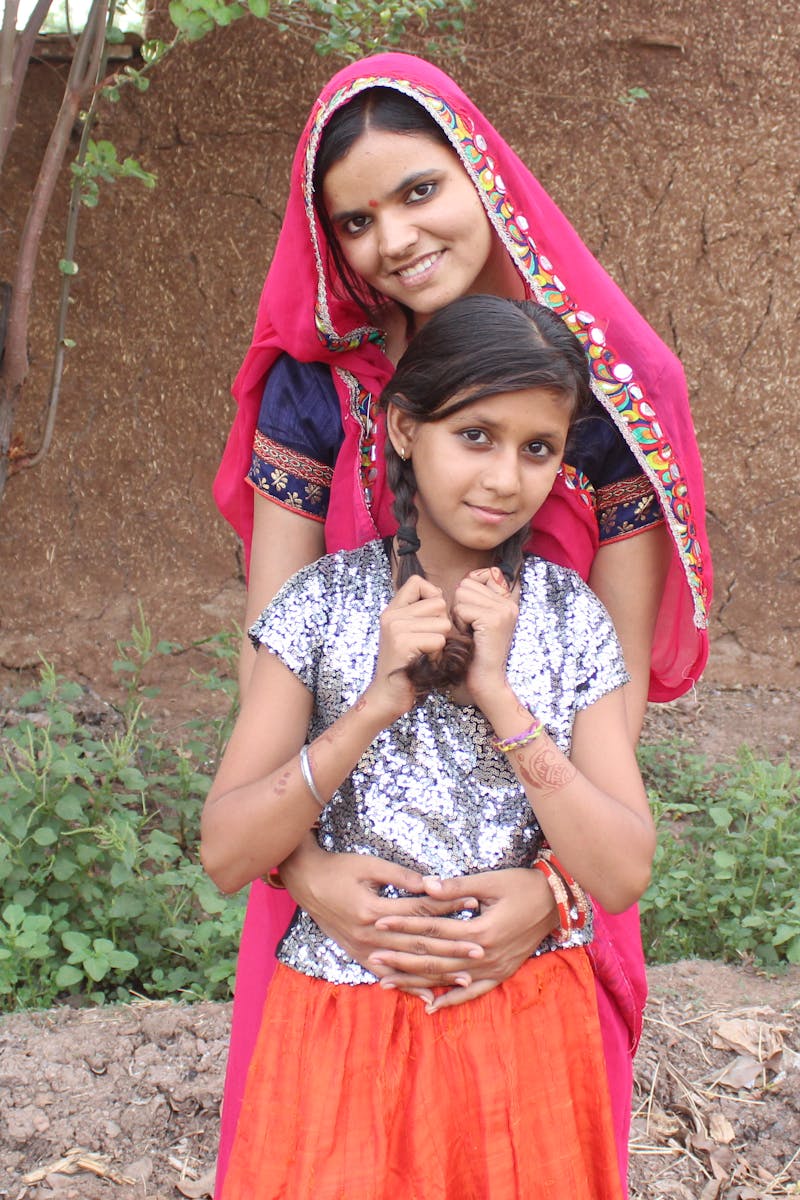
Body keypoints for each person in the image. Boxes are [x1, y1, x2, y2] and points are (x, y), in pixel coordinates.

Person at [212, 52, 712, 1194]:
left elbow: (613, 695)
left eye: (417, 191)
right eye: (354, 220)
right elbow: (270, 658)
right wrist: (308, 876)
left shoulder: (595, 394)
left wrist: (552, 894)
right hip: (335, 873)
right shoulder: (319, 392)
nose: (391, 237)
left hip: (542, 867)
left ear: (480, 172)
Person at [203, 294, 657, 1199]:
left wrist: (498, 694)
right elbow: (225, 851)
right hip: (338, 1027)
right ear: (406, 429)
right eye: (476, 436)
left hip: (524, 1030)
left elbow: (621, 873)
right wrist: (375, 702)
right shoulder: (323, 606)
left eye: (539, 449)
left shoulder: (572, 621)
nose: (504, 477)